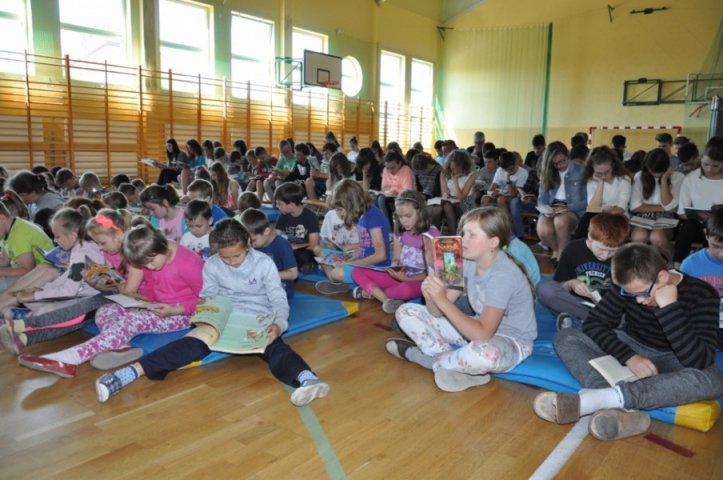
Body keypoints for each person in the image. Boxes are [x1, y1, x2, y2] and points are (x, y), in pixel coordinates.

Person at [93, 219, 330, 406]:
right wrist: (205, 316)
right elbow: (208, 296)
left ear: (248, 244)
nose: (232, 262)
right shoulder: (214, 264)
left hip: (256, 317)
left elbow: (278, 298)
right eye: (226, 258)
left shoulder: (264, 264)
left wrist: (278, 324)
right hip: (223, 318)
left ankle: (307, 380)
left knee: (274, 347)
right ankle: (127, 374)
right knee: (189, 344)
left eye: (237, 256)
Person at [533, 243, 723, 441]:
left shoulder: (703, 294)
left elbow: (699, 360)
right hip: (633, 343)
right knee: (566, 337)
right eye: (630, 294)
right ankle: (612, 402)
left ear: (662, 277)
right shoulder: (630, 284)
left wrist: (669, 308)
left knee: (714, 380)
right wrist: (629, 357)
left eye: (642, 293)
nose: (638, 300)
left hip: (675, 358)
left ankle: (601, 399)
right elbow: (594, 324)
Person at [18, 223, 204, 378]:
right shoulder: (151, 255)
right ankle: (121, 347)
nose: (148, 267)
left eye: (150, 262)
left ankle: (70, 358)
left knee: (130, 321)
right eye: (144, 265)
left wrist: (176, 310)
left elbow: (206, 301)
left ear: (160, 248)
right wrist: (141, 301)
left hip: (181, 313)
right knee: (105, 310)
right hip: (154, 306)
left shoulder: (188, 263)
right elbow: (149, 286)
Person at [386, 206, 537, 392]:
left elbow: (483, 335)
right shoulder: (465, 261)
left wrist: (442, 300)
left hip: (510, 341)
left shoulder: (503, 274)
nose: (463, 239)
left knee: (485, 353)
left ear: (493, 242)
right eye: (463, 233)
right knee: (405, 311)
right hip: (474, 332)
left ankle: (423, 358)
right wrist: (431, 297)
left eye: (472, 235)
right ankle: (451, 362)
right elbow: (436, 312)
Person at [0, 206, 108, 353]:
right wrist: (41, 291)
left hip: (88, 299)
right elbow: (67, 278)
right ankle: (22, 326)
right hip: (81, 293)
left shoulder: (81, 254)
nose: (55, 241)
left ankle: (22, 327)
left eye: (57, 236)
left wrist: (37, 294)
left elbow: (69, 290)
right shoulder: (82, 248)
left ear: (72, 235)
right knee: (35, 302)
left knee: (50, 311)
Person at [536, 213, 630, 330]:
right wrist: (571, 283)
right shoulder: (573, 249)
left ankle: (579, 323)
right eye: (601, 249)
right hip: (575, 304)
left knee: (632, 316)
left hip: (608, 309)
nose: (605, 255)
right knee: (544, 288)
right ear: (590, 237)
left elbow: (628, 296)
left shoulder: (625, 256)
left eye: (612, 251)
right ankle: (594, 323)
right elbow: (558, 287)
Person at [352, 190, 438, 313]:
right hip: (399, 278)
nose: (404, 221)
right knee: (357, 271)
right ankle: (386, 299)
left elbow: (434, 271)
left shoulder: (431, 233)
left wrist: (406, 279)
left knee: (406, 290)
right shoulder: (400, 233)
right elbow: (396, 259)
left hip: (419, 281)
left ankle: (374, 293)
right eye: (400, 217)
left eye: (408, 216)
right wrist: (395, 267)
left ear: (420, 212)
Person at [315, 179, 390, 295]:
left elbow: (381, 255)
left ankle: (342, 282)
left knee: (337, 273)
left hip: (376, 268)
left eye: (341, 208)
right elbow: (365, 247)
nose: (340, 212)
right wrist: (349, 259)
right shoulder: (362, 215)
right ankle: (344, 283)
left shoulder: (372, 217)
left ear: (350, 204)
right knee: (320, 253)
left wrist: (352, 263)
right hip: (364, 261)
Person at [675, 136, 723, 267]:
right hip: (698, 227)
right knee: (689, 225)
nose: (709, 169)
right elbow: (681, 212)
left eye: (715, 166)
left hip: (720, 229)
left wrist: (714, 219)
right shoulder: (691, 179)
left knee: (715, 228)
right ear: (700, 159)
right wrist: (700, 217)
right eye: (706, 164)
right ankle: (678, 266)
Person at [629, 149, 684, 263]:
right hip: (643, 217)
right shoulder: (640, 176)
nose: (655, 174)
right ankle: (642, 265)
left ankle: (671, 264)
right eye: (652, 171)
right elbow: (635, 206)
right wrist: (663, 208)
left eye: (659, 172)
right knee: (639, 237)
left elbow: (671, 206)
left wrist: (664, 180)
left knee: (657, 238)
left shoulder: (678, 177)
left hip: (666, 218)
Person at [680, 209, 723, 349]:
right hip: (703, 324)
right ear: (706, 234)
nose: (721, 254)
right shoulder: (690, 264)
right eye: (716, 246)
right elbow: (683, 303)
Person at [574, 146, 632, 239]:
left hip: (619, 216)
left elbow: (621, 209)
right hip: (599, 214)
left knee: (604, 224)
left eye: (607, 172)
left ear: (613, 165)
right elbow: (593, 208)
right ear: (593, 170)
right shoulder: (592, 181)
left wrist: (603, 210)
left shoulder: (624, 180)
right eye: (599, 173)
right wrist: (600, 183)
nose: (604, 176)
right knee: (586, 220)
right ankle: (581, 245)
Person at [240, 208, 298, 300]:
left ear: (266, 231)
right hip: (258, 284)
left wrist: (265, 275)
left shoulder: (282, 245)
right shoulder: (254, 242)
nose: (251, 245)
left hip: (280, 286)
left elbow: (293, 274)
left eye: (253, 240)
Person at [0, 201, 53, 292]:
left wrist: (2, 271)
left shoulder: (18, 234)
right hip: (30, 275)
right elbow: (4, 260)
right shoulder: (10, 228)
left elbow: (28, 270)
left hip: (42, 278)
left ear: (1, 218)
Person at [274, 182, 320, 274]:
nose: (277, 206)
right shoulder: (283, 216)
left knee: (305, 255)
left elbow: (313, 244)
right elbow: (276, 236)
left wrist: (295, 247)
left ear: (291, 205)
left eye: (279, 204)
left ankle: (307, 265)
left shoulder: (310, 216)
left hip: (305, 250)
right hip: (289, 249)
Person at [429, 149, 476, 235]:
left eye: (458, 168)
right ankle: (441, 234)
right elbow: (444, 192)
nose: (455, 171)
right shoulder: (444, 173)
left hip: (465, 204)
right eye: (453, 168)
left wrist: (455, 181)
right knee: (441, 208)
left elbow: (461, 197)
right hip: (450, 201)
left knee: (447, 206)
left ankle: (452, 235)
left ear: (464, 165)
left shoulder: (471, 175)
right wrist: (445, 196)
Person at [376, 150, 416, 229]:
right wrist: (397, 189)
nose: (390, 171)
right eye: (388, 168)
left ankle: (388, 229)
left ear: (400, 163)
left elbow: (407, 190)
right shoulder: (385, 170)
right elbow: (383, 188)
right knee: (374, 199)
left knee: (381, 199)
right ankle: (380, 227)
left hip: (406, 198)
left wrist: (392, 189)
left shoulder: (406, 170)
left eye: (393, 168)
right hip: (391, 197)